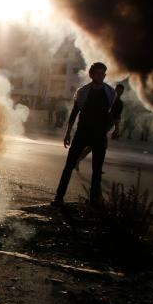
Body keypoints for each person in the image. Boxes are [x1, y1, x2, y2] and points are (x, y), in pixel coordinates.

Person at [52, 62, 122, 206]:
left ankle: (94, 200)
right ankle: (59, 197)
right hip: (82, 133)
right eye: (98, 73)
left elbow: (115, 113)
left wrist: (117, 128)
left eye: (103, 74)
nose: (101, 76)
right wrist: (67, 133)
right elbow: (74, 113)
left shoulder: (110, 92)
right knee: (69, 166)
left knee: (97, 170)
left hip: (99, 135)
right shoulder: (82, 92)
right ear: (91, 74)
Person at [77, 82, 124, 170]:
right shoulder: (108, 99)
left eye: (121, 92)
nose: (119, 93)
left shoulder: (120, 103)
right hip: (100, 126)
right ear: (115, 90)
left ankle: (78, 160)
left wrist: (116, 129)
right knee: (100, 147)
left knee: (92, 146)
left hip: (106, 126)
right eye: (118, 91)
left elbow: (117, 117)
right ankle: (94, 166)